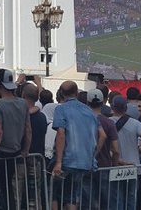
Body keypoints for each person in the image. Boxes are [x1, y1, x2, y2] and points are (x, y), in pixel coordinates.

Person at [52, 81, 102, 210]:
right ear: (77, 93)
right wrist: (92, 157)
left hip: (68, 159)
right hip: (85, 161)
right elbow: (98, 135)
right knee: (73, 196)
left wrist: (58, 162)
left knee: (53, 192)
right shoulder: (89, 111)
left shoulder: (61, 109)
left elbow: (61, 134)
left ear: (61, 93)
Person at [0, 69, 31, 208]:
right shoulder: (23, 103)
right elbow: (28, 129)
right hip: (17, 151)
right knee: (10, 187)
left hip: (2, 153)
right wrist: (25, 150)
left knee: (0, 188)